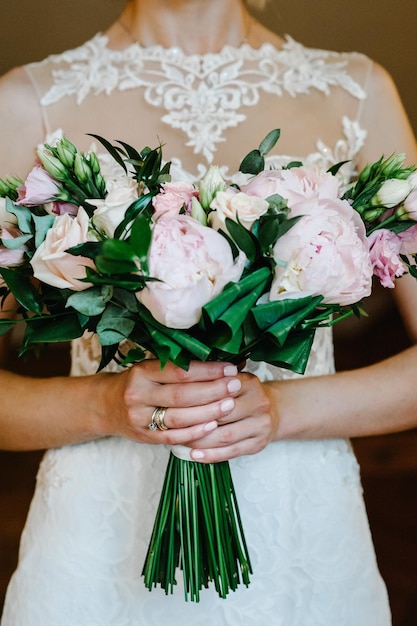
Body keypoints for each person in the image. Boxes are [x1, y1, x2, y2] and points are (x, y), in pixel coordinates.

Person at [0, 0, 416, 623]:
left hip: (301, 539)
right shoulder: (28, 104)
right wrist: (106, 404)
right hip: (98, 543)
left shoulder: (357, 93)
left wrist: (280, 408)